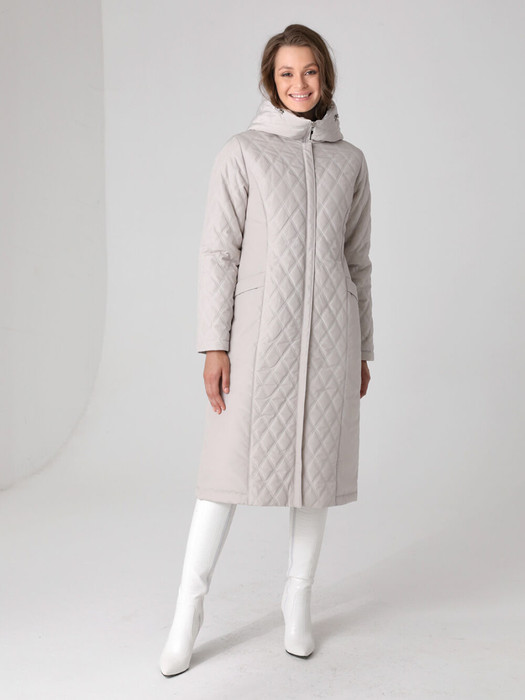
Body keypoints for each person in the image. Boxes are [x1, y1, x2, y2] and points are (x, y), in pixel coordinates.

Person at [159, 23, 374, 677]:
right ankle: (187, 614)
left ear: (325, 76)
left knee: (315, 475)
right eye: (286, 73)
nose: (298, 84)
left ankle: (297, 600)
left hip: (331, 338)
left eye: (308, 71)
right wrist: (213, 345)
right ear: (269, 81)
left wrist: (362, 346)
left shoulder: (350, 161)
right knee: (221, 477)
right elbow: (217, 253)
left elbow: (357, 261)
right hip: (257, 337)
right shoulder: (243, 152)